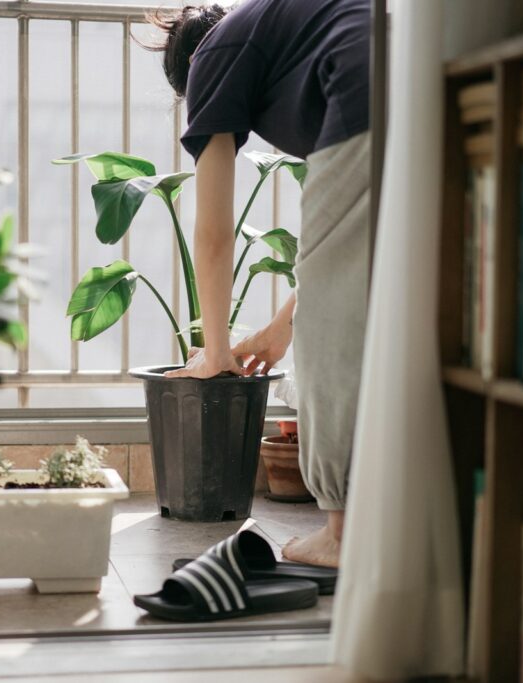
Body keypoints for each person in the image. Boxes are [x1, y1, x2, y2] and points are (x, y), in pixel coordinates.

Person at [151, 0, 370, 569]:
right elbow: (340, 258)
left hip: (366, 96)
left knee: (332, 336)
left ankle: (345, 535)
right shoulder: (280, 28)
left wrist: (216, 352)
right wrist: (279, 329)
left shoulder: (212, 55)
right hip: (425, 72)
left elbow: (215, 231)